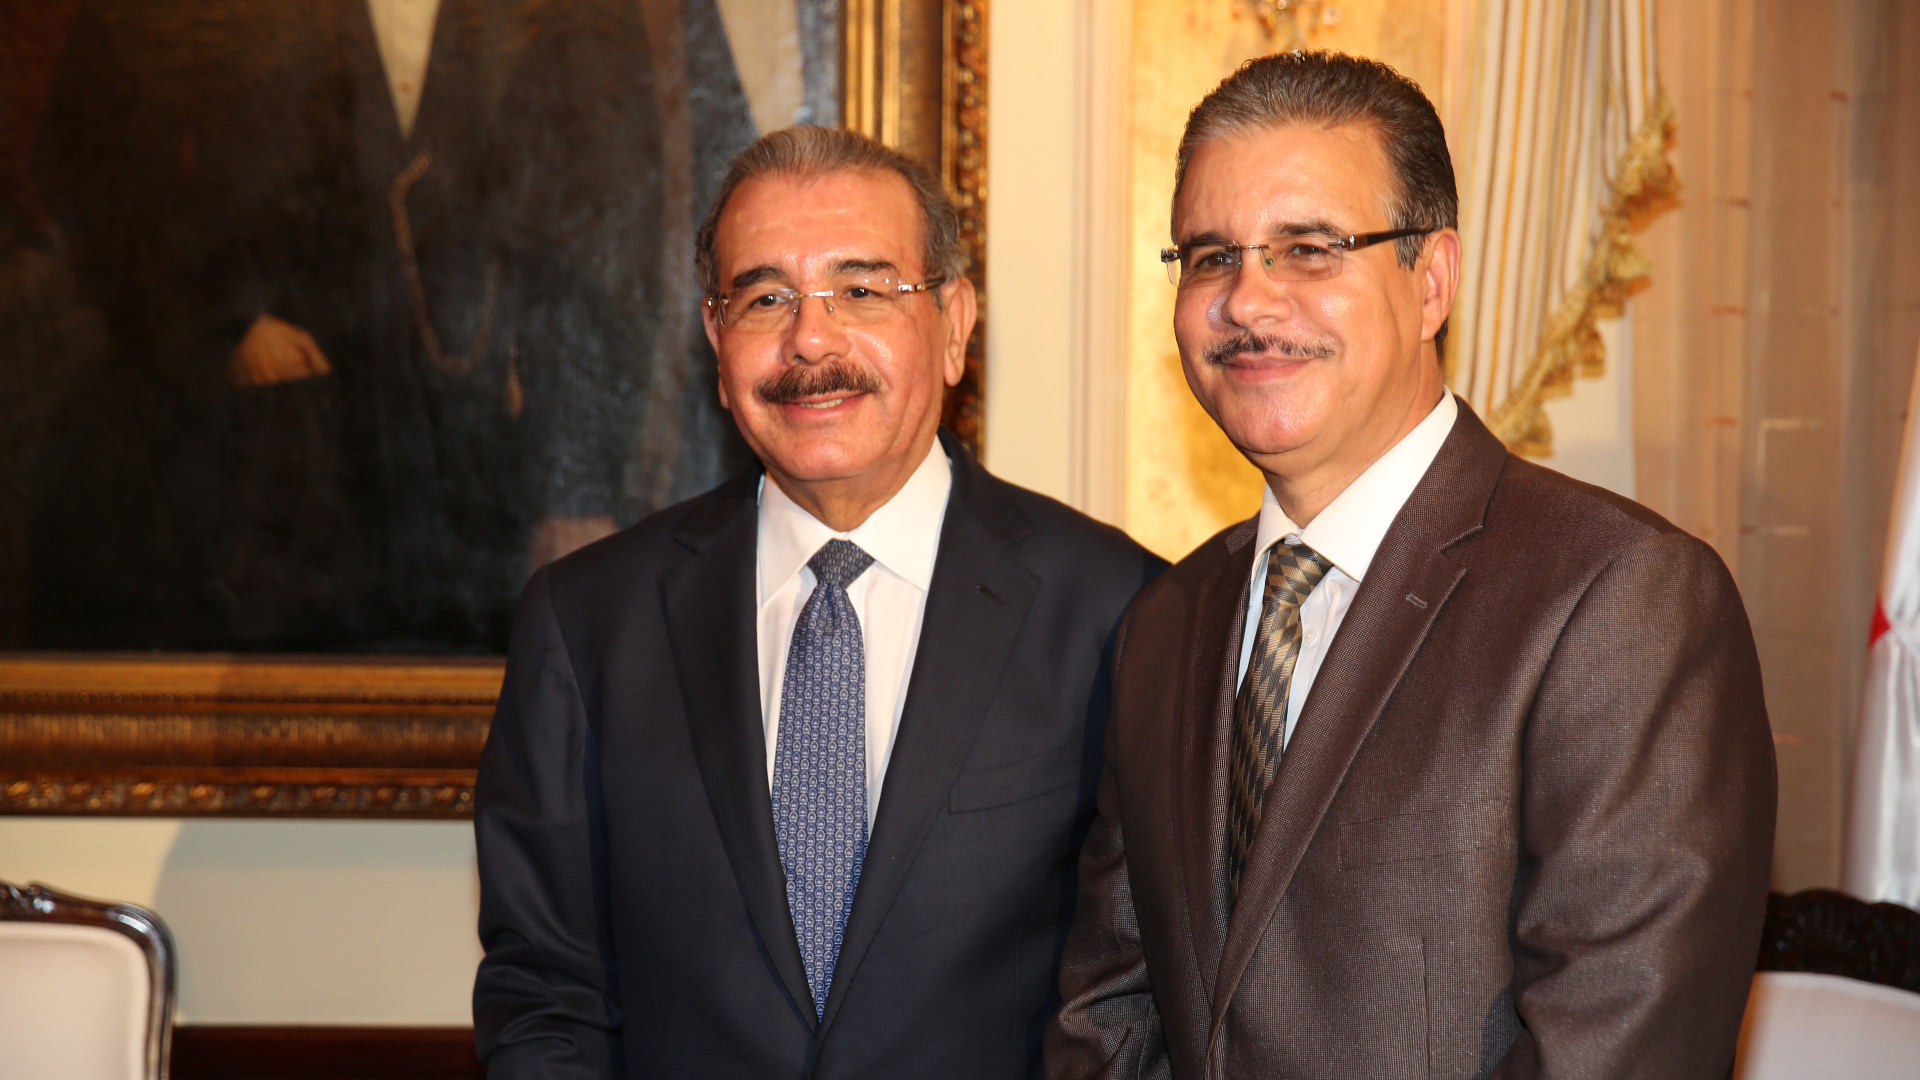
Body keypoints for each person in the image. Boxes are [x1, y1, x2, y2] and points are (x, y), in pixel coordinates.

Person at [1047, 51, 1776, 1079]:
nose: (1247, 302)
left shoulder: (1621, 597)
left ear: (1431, 281)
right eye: (1211, 256)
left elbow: (1614, 1047)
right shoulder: (1166, 621)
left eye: (1309, 250)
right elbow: (1110, 1017)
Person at [473, 125, 1162, 1078]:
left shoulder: (1124, 611)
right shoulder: (586, 623)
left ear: (954, 323)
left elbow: (1137, 999)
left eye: (862, 290)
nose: (810, 338)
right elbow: (547, 994)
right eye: (765, 298)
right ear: (717, 342)